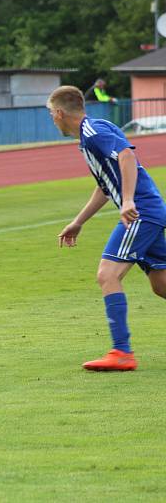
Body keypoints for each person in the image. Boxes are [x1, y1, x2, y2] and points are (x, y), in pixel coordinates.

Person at [47, 85, 166, 371]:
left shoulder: (93, 133)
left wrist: (127, 200)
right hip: (147, 211)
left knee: (107, 274)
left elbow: (126, 156)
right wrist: (78, 221)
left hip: (141, 213)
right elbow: (105, 186)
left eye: (51, 114)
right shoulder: (93, 132)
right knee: (162, 285)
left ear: (60, 113)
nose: (52, 119)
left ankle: (122, 352)